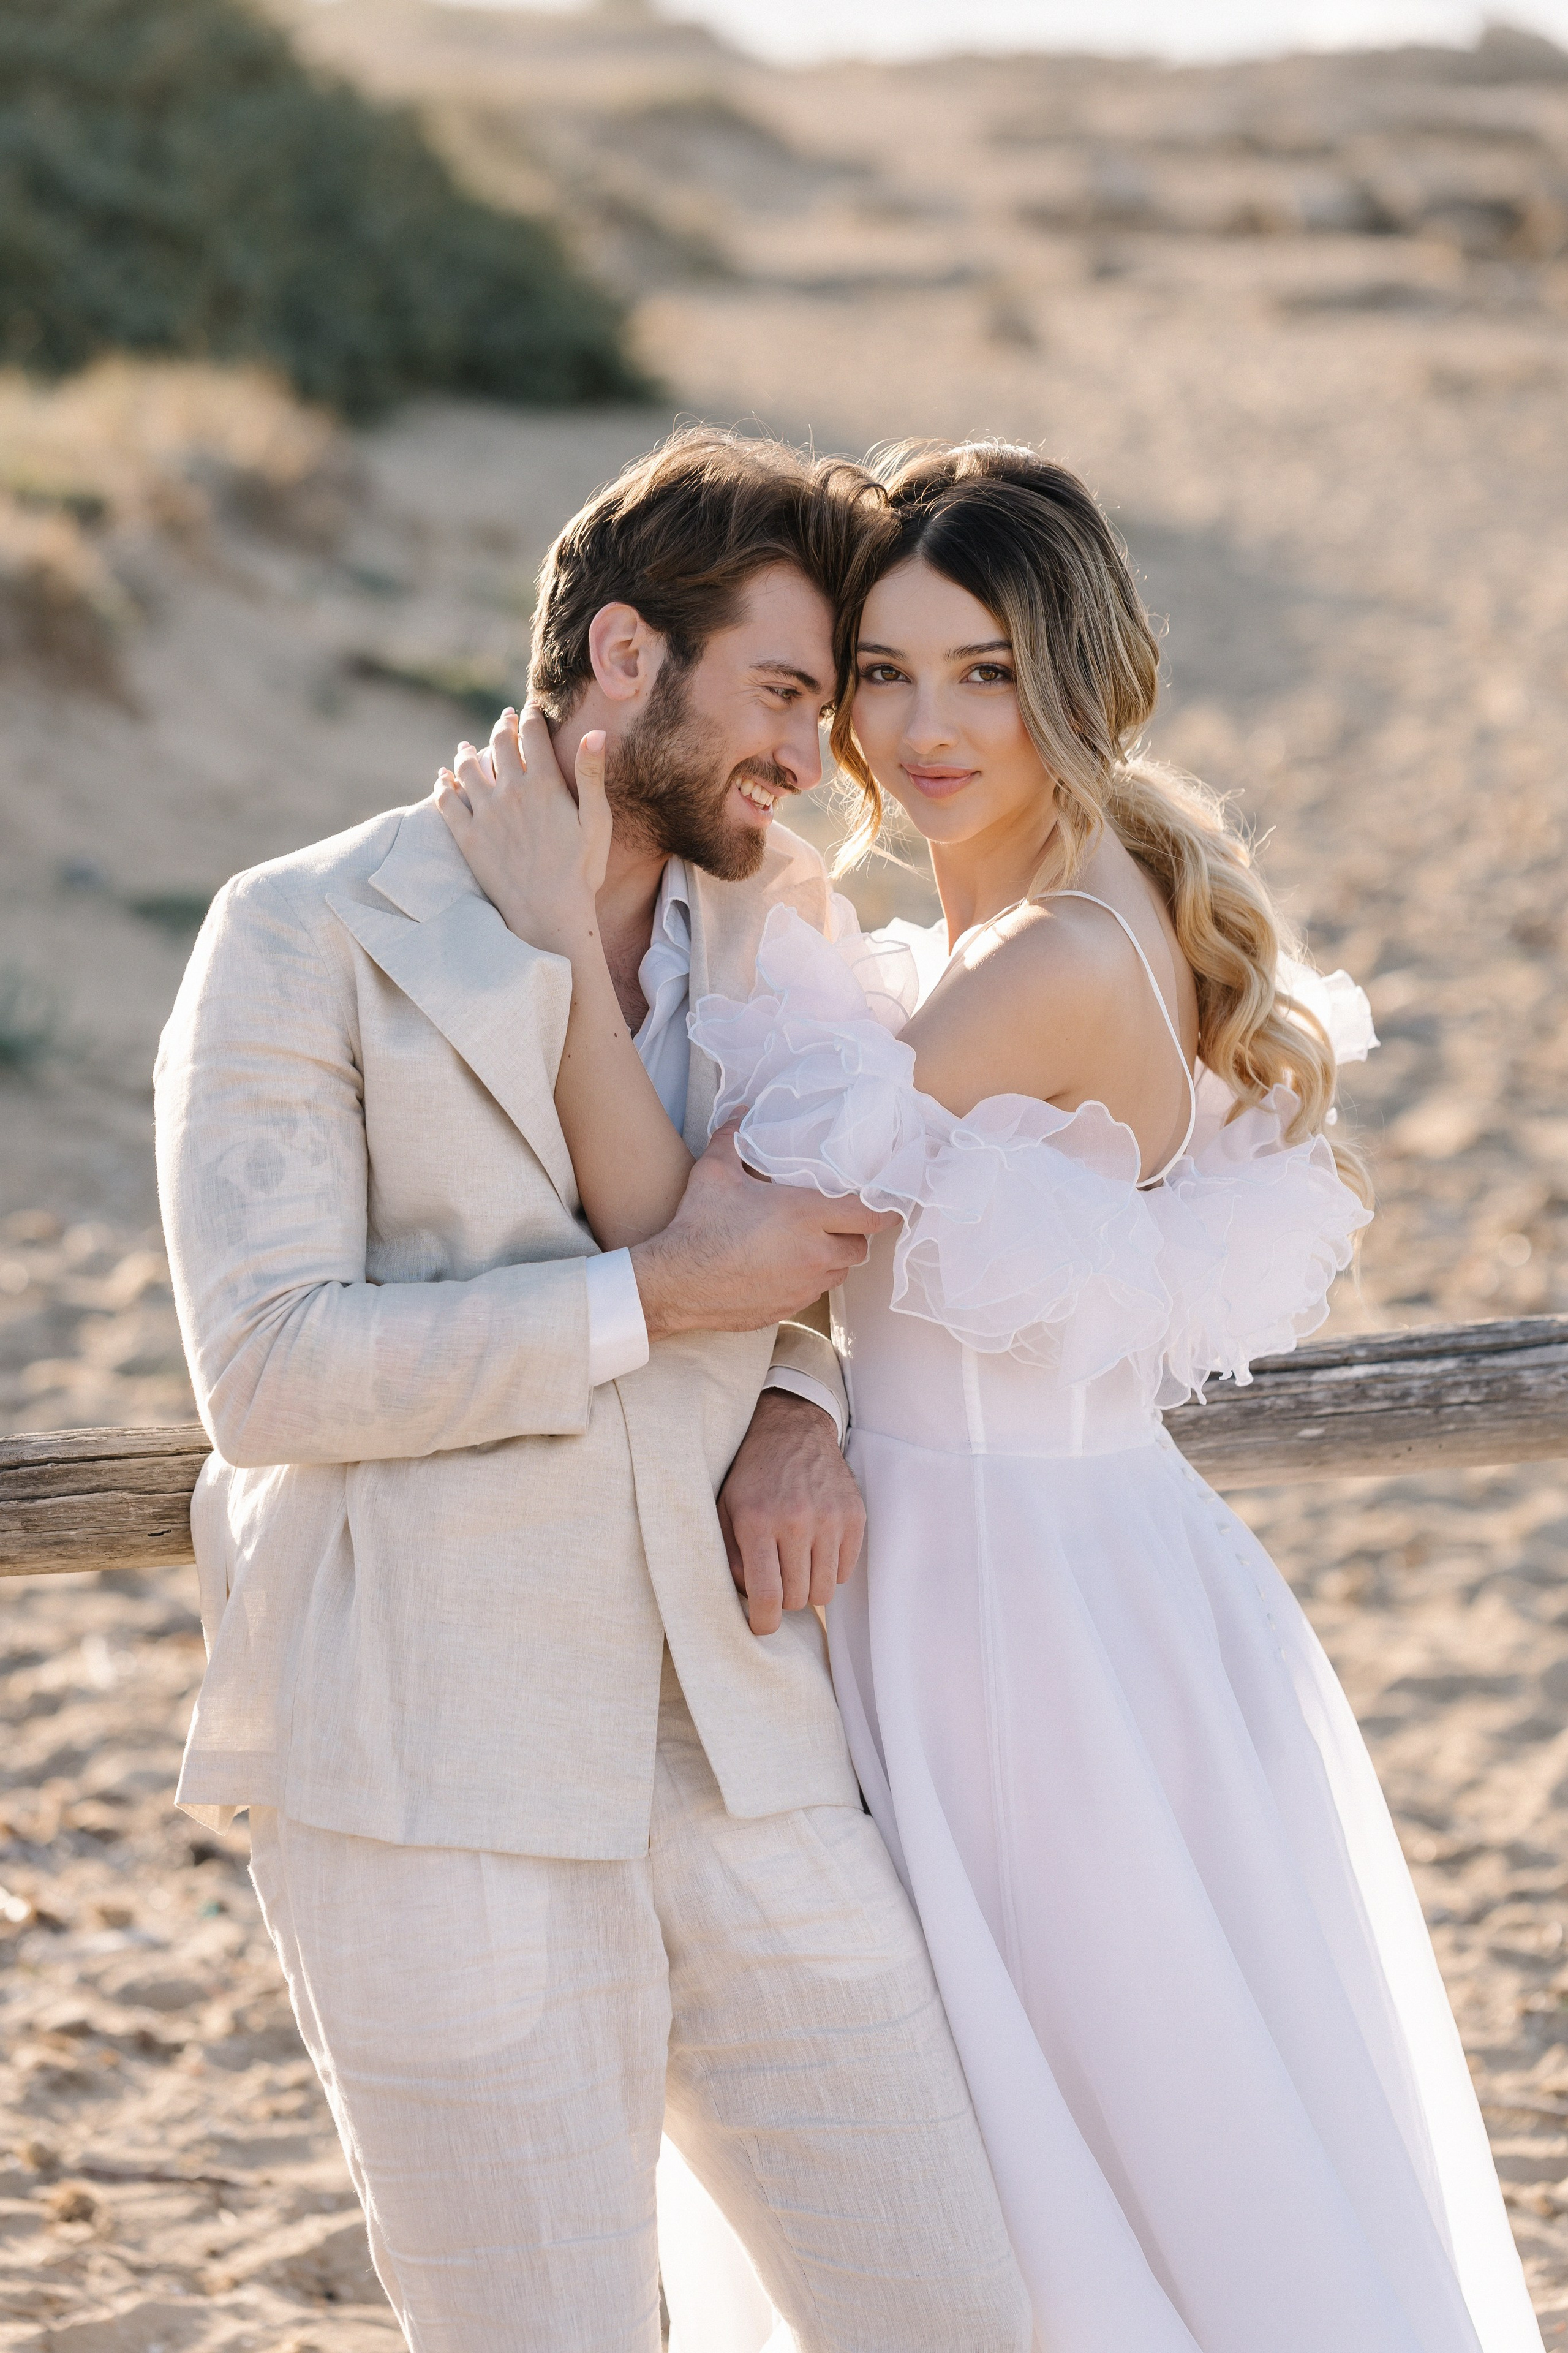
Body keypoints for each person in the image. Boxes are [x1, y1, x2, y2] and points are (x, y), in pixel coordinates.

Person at [447, 439, 1543, 2352]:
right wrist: (799, 1394)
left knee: (1066, 2149)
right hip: (1061, 1571)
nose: (926, 726)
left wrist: (558, 944)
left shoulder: (1044, 962)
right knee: (1092, 2124)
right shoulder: (1051, 909)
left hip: (1010, 1625)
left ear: (1076, 674)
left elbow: (688, 1230)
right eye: (883, 672)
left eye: (984, 673)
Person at [154, 428, 1031, 2353]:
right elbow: (271, 1366)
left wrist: (797, 1387)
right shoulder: (303, 932)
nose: (816, 761)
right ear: (625, 659)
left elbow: (815, 1250)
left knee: (959, 2312)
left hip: (749, 1734)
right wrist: (650, 1296)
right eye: (786, 697)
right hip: (433, 1756)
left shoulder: (775, 922)